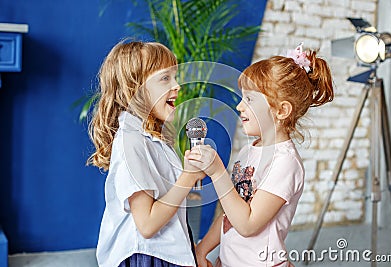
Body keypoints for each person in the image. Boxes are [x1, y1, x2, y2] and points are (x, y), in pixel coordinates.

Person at [188, 43, 334, 267]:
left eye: (250, 99)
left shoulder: (285, 163)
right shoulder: (250, 150)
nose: (239, 106)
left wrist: (217, 172)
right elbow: (232, 211)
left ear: (281, 111)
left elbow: (247, 225)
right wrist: (203, 250)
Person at [87, 40, 204, 267]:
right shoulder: (131, 141)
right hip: (147, 256)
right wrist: (188, 177)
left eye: (175, 76)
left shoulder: (152, 135)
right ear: (136, 89)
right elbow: (148, 225)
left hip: (164, 251)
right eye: (165, 78)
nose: (177, 85)